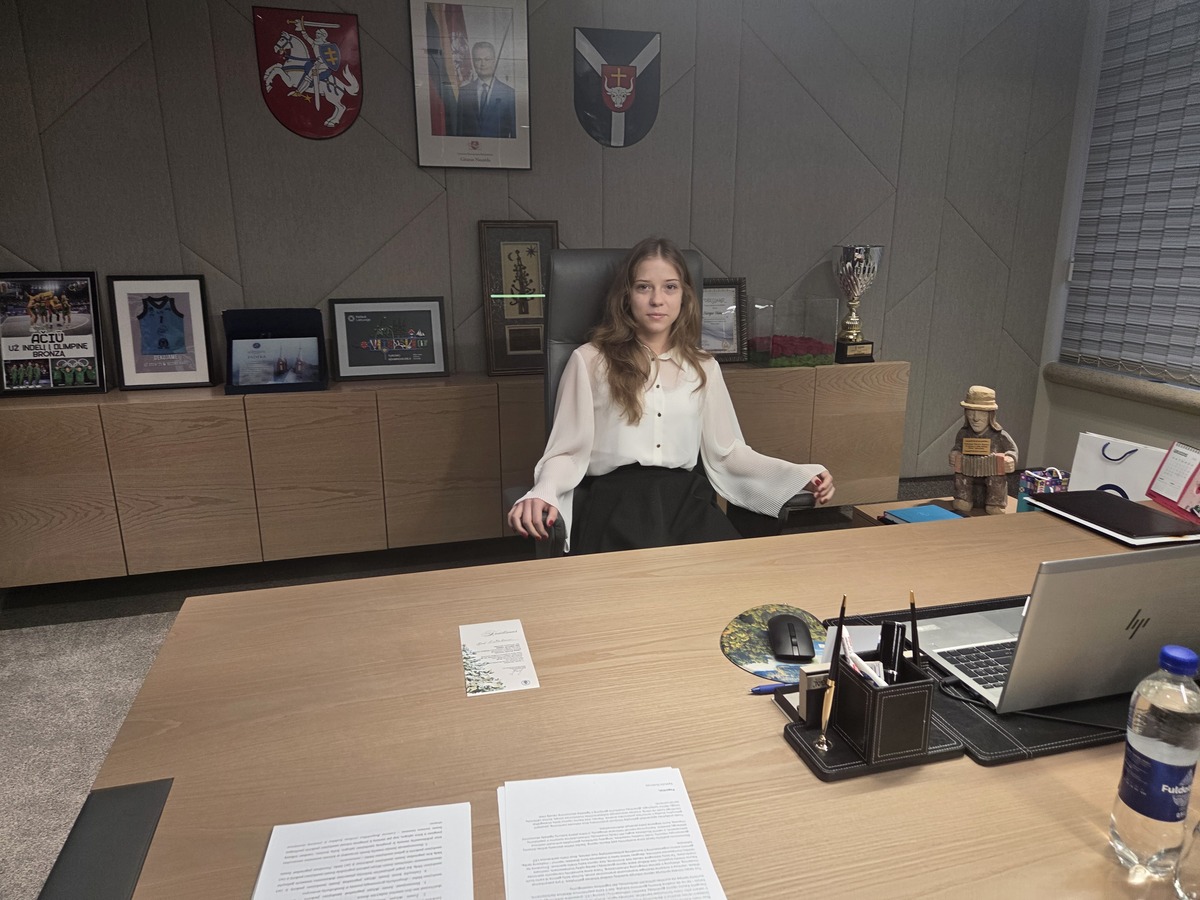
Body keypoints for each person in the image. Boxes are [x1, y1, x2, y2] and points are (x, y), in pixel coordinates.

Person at [508, 237, 835, 554]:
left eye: (670, 287)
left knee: (733, 579)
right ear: (626, 295)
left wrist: (798, 475)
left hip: (686, 505)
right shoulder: (590, 360)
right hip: (615, 506)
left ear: (684, 297)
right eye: (643, 287)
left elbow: (729, 454)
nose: (657, 300)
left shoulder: (704, 367)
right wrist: (542, 492)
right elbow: (567, 451)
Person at [948, 385, 1017, 515]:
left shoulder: (1000, 436)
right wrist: (954, 453)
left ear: (991, 415)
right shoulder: (963, 433)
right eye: (971, 412)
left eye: (981, 413)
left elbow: (1012, 450)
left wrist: (1011, 458)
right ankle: (963, 498)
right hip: (968, 471)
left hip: (992, 474)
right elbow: (957, 446)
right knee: (961, 476)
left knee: (996, 477)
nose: (975, 418)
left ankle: (995, 503)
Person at [457, 42, 516, 138]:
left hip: (498, 147)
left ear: (494, 62)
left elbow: (514, 133)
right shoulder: (464, 92)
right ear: (473, 62)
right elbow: (459, 130)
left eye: (487, 59)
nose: (483, 64)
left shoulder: (508, 93)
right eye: (478, 60)